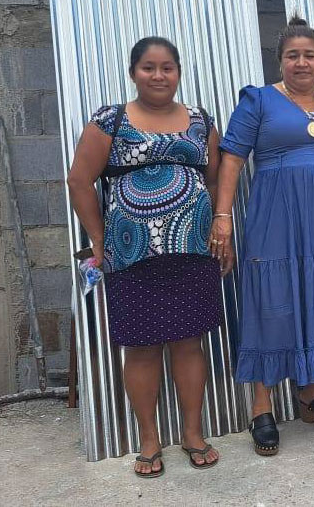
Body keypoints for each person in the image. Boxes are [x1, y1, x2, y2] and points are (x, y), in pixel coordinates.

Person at [210, 16, 314, 456]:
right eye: (292, 55)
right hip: (276, 218)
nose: (302, 63)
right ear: (280, 61)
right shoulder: (258, 100)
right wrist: (223, 216)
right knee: (273, 298)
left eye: (309, 55)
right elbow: (232, 159)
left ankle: (312, 394)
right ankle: (261, 406)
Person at [67, 37, 223, 476]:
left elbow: (213, 180)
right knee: (142, 348)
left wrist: (212, 225)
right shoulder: (111, 120)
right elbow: (79, 181)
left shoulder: (200, 121)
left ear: (178, 72)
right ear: (133, 72)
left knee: (189, 343)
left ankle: (192, 433)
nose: (158, 75)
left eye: (167, 67)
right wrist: (99, 239)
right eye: (148, 67)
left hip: (192, 249)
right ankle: (149, 439)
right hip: (132, 252)